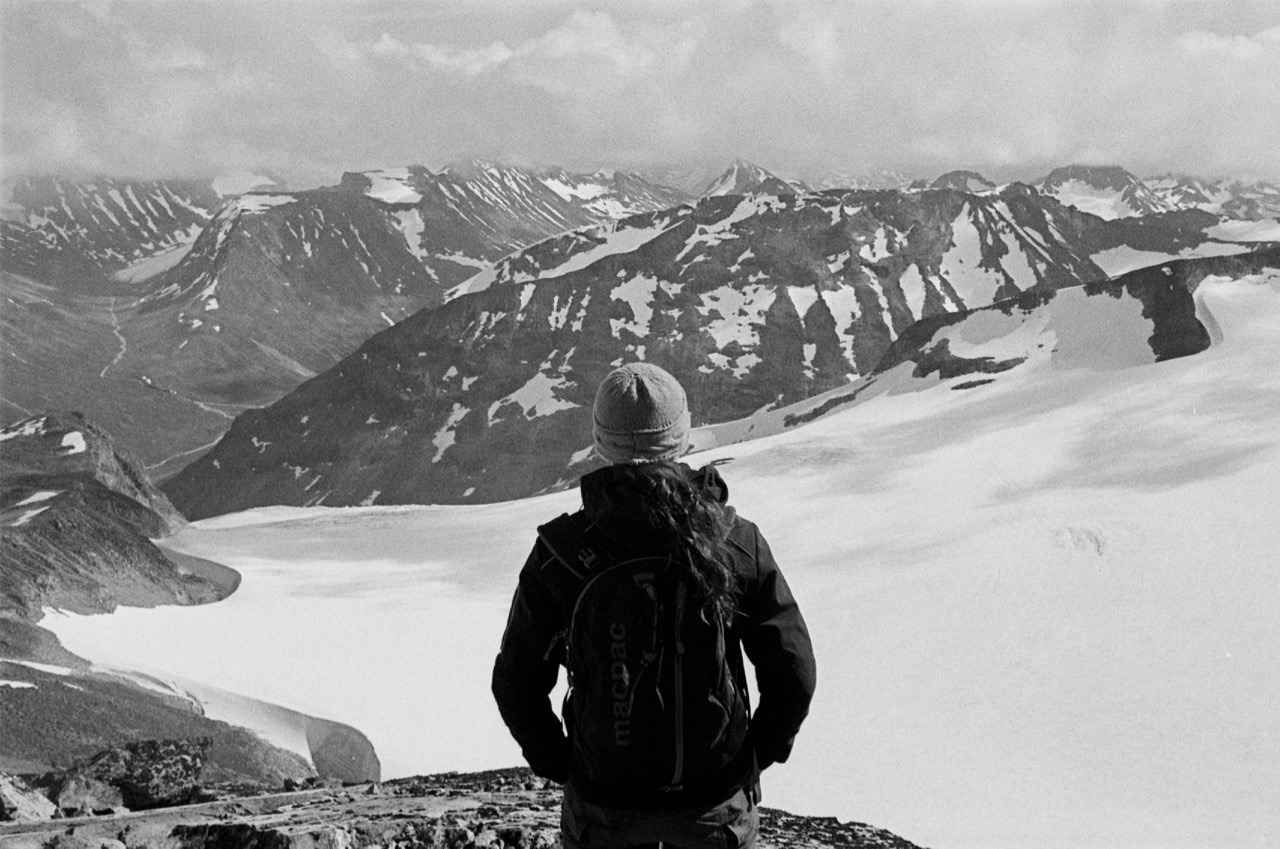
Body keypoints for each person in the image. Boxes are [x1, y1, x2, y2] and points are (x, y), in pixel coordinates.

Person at [492, 362, 816, 849]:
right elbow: (793, 671)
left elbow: (516, 681)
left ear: (602, 443)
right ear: (682, 436)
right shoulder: (734, 542)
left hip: (604, 811)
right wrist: (753, 758)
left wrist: (565, 765)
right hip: (714, 809)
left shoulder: (562, 555)